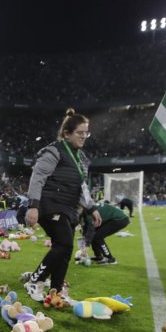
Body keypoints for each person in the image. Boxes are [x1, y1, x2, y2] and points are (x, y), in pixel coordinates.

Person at [24, 108, 102, 302]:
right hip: (50, 204)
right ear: (67, 133)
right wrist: (33, 205)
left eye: (86, 133)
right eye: (80, 133)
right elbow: (37, 177)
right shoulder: (54, 150)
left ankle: (56, 291)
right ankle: (35, 280)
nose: (84, 137)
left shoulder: (81, 157)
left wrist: (91, 208)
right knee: (64, 243)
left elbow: (82, 186)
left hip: (68, 208)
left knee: (65, 249)